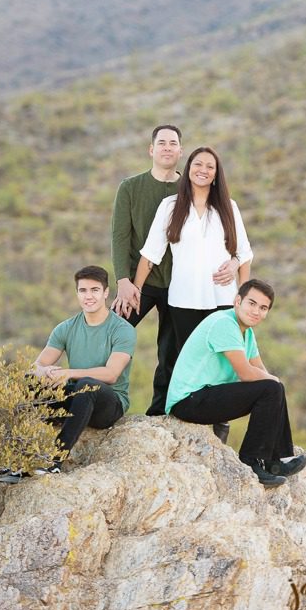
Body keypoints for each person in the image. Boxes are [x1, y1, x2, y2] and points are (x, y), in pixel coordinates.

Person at [0, 265, 136, 483]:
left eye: (94, 290)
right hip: (76, 400)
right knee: (28, 383)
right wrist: (45, 372)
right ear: (77, 293)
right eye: (83, 291)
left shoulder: (122, 329)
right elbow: (36, 366)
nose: (88, 296)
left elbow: (111, 374)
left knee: (88, 384)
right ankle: (17, 461)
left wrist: (68, 372)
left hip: (108, 404)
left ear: (106, 293)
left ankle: (54, 462)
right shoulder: (66, 328)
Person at [165, 279, 306, 488]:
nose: (256, 311)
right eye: (252, 303)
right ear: (237, 301)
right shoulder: (224, 323)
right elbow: (246, 373)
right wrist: (274, 383)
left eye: (263, 308)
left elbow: (261, 372)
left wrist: (276, 384)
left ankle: (275, 462)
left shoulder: (247, 333)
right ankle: (251, 460)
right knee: (272, 387)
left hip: (207, 396)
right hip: (188, 401)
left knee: (274, 388)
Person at [134, 146, 253, 350]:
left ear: (216, 174)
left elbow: (244, 253)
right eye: (198, 164)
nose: (203, 170)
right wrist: (136, 290)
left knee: (222, 362)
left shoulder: (229, 207)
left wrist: (242, 297)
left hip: (223, 299)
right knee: (190, 361)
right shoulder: (170, 206)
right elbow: (150, 255)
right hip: (183, 300)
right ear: (188, 168)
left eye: (210, 166)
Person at [111, 125, 184, 417]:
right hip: (138, 283)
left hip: (180, 285)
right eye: (162, 143)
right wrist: (123, 280)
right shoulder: (130, 187)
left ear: (180, 151)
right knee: (112, 335)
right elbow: (120, 236)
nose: (167, 148)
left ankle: (160, 414)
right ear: (151, 150)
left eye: (173, 143)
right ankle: (104, 402)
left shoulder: (189, 189)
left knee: (171, 351)